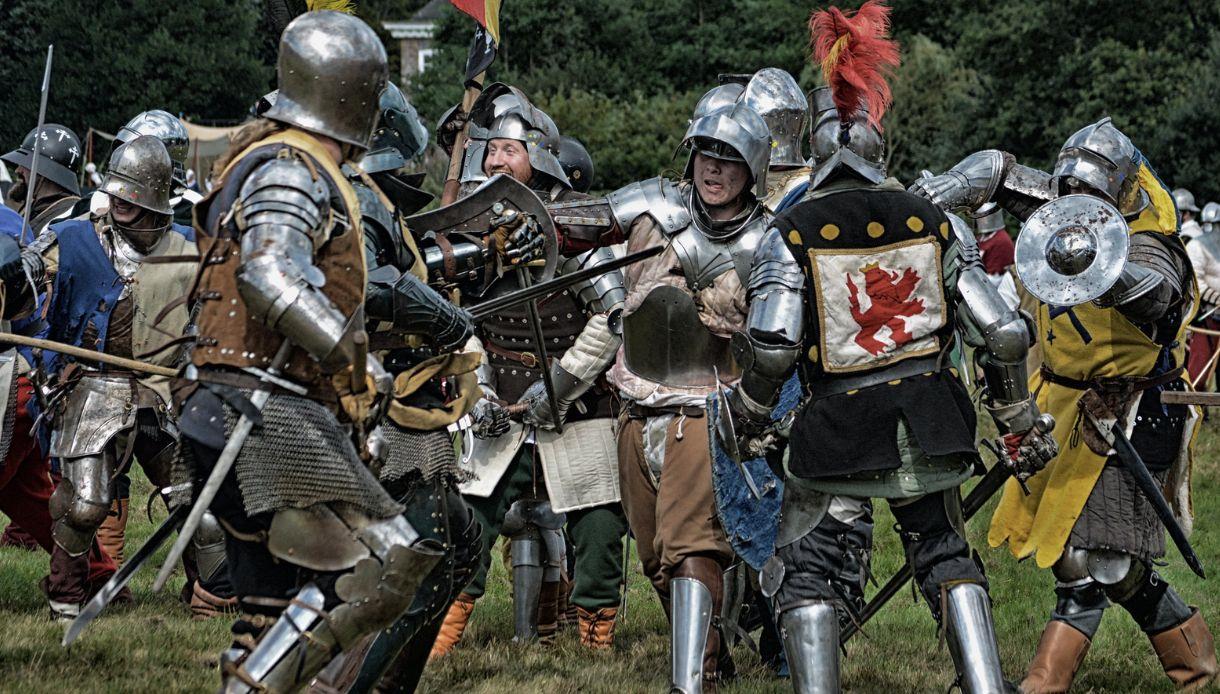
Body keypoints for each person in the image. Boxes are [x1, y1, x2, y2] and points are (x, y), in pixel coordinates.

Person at [720, 4, 1056, 691]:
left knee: (804, 567)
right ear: (882, 143)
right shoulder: (934, 220)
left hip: (837, 432)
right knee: (944, 551)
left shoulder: (791, 229)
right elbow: (1004, 330)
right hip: (932, 425)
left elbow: (775, 344)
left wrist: (750, 415)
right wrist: (1019, 420)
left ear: (814, 147)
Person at [176, 12, 443, 691]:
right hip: (262, 413)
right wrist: (359, 361)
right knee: (385, 563)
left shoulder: (284, 156)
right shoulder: (293, 169)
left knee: (272, 609)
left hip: (247, 408)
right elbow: (269, 276)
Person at [913, 117, 1217, 691]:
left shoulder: (1156, 244)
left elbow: (1157, 296)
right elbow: (1001, 171)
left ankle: (1041, 685)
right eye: (1068, 193)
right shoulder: (1065, 207)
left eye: (1089, 197)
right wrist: (941, 191)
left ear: (1120, 193)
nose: (1074, 206)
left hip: (1126, 414)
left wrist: (1096, 261)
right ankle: (1197, 663)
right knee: (1114, 569)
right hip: (1064, 408)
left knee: (1091, 563)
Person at [430, 83, 630, 658]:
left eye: (509, 150)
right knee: (466, 515)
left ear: (539, 155)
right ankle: (443, 631)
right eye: (490, 150)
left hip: (576, 403)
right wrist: (480, 387)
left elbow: (613, 317)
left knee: (597, 523)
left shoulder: (580, 228)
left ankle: (595, 634)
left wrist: (562, 384)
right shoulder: (470, 230)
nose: (495, 159)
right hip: (501, 404)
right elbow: (458, 319)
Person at [594, 98, 773, 692]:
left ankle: (690, 680)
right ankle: (713, 656)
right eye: (705, 155)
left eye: (729, 160)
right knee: (652, 555)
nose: (713, 170)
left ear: (752, 169)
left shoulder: (768, 239)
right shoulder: (653, 210)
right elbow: (584, 233)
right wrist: (610, 299)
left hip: (708, 408)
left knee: (692, 544)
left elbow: (779, 333)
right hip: (635, 402)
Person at [0, 135, 197, 620]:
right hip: (89, 386)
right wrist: (13, 271)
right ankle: (66, 595)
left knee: (195, 497)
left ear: (152, 198)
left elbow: (215, 313)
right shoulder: (74, 236)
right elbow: (30, 275)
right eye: (117, 191)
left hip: (159, 391)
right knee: (86, 503)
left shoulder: (188, 248)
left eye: (132, 194)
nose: (120, 203)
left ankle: (213, 596)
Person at [1, 124, 83, 234]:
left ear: (45, 170)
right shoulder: (34, 208)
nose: (18, 170)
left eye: (26, 164)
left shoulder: (68, 218)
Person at [1186, 201, 1220, 389]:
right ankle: (1195, 411)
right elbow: (1196, 282)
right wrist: (1217, 298)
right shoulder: (1197, 246)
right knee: (1199, 370)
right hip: (1206, 317)